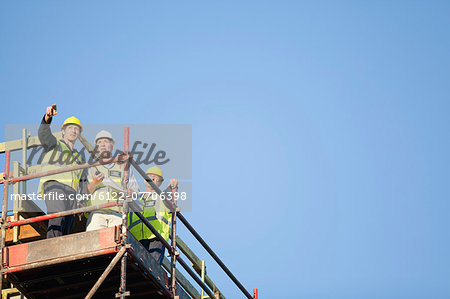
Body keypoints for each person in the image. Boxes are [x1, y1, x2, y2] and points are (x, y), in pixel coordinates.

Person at [37, 105, 88, 238]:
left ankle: (61, 252)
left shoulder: (80, 158)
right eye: (70, 128)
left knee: (67, 225)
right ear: (63, 131)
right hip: (55, 185)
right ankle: (52, 247)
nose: (73, 131)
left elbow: (83, 182)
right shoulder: (54, 144)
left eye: (76, 129)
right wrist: (47, 118)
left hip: (71, 192)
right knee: (57, 218)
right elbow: (44, 135)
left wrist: (81, 202)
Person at [85, 130, 139, 231]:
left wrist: (130, 193)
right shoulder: (91, 168)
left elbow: (135, 191)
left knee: (117, 243)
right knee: (94, 242)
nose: (102, 145)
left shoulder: (123, 167)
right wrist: (95, 183)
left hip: (117, 213)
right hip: (97, 213)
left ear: (112, 146)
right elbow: (84, 193)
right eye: (99, 143)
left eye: (106, 141)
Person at [127, 166, 178, 265]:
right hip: (136, 238)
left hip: (156, 238)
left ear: (160, 182)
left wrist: (173, 185)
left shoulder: (162, 197)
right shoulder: (137, 198)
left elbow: (170, 193)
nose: (152, 178)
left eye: (156, 177)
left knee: (152, 267)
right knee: (135, 266)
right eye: (149, 176)